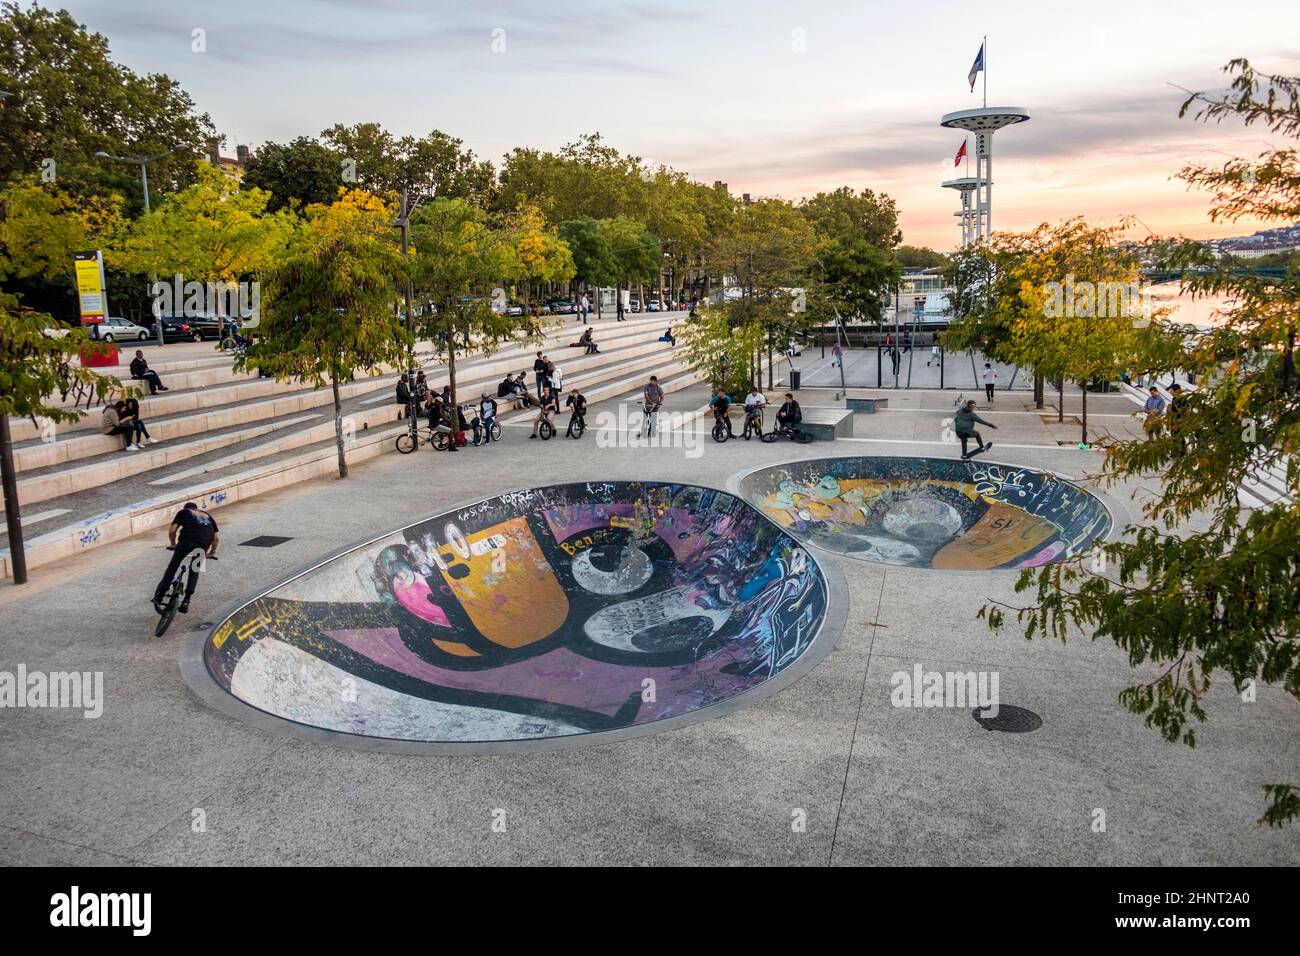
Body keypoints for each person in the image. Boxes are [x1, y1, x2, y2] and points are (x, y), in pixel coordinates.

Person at [152, 502, 219, 614]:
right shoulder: (208, 516)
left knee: (173, 567)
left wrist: (173, 544)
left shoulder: (183, 512)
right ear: (196, 509)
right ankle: (187, 600)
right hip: (202, 545)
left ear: (186, 508)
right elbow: (216, 539)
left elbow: (172, 530)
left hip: (185, 542)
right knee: (194, 570)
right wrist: (211, 553)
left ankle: (161, 595)